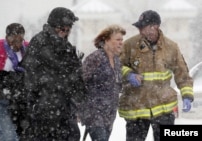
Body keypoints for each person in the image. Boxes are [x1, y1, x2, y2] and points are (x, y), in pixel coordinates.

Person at [118, 10, 194, 141]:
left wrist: (187, 95)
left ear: (155, 27)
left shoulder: (171, 47)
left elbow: (182, 73)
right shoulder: (129, 45)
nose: (141, 31)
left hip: (164, 108)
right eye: (140, 28)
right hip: (137, 108)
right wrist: (128, 74)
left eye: (144, 27)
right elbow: (115, 66)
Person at [21, 7, 86, 141]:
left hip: (64, 109)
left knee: (73, 135)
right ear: (54, 26)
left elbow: (75, 77)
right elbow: (31, 76)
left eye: (68, 29)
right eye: (63, 29)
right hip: (43, 109)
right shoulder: (39, 43)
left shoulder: (67, 47)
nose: (66, 32)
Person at [0, 23, 28, 141]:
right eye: (13, 39)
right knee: (9, 138)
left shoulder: (27, 48)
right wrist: (1, 86)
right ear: (6, 37)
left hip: (20, 102)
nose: (16, 44)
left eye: (19, 40)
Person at [79, 25, 125, 141]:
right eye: (118, 40)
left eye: (122, 40)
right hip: (94, 113)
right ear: (107, 40)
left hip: (109, 114)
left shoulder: (117, 61)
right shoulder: (95, 58)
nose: (121, 43)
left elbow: (118, 85)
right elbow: (79, 82)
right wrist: (78, 109)